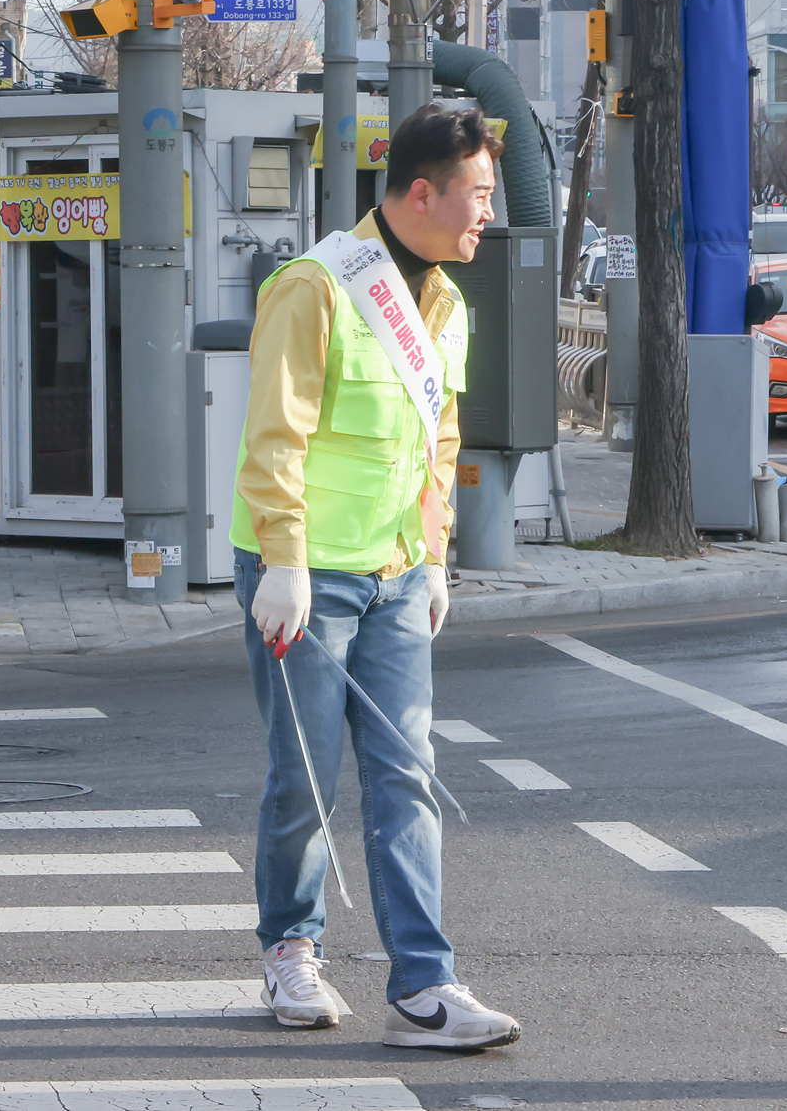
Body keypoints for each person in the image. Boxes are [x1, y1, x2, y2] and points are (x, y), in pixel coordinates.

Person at [230, 103, 519, 1050]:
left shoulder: (447, 303)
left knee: (407, 775)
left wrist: (434, 558)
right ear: (422, 191)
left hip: (394, 574)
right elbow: (277, 433)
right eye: (477, 195)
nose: (489, 214)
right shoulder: (315, 286)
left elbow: (439, 440)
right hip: (305, 574)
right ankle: (291, 950)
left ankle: (424, 988)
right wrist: (281, 560)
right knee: (304, 776)